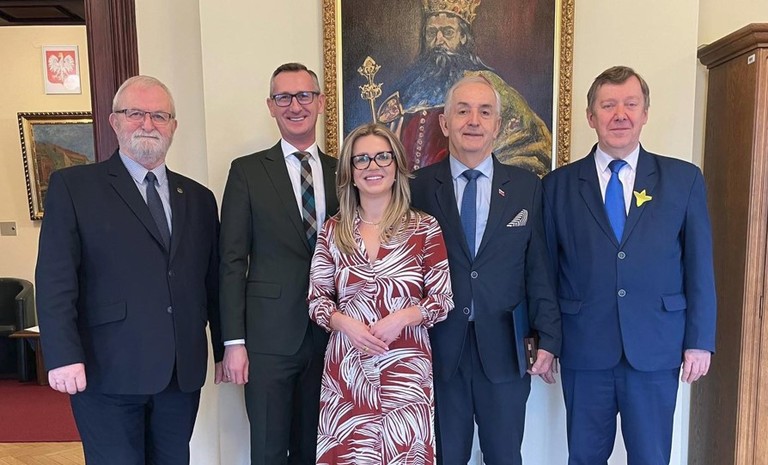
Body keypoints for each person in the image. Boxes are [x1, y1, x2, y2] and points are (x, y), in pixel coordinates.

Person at [35, 75, 224, 464]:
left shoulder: (199, 198)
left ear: (173, 126)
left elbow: (213, 283)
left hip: (179, 373)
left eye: (159, 115)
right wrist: (62, 354)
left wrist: (225, 348)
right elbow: (55, 279)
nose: (148, 124)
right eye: (135, 113)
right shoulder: (74, 187)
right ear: (114, 121)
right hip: (107, 369)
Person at [542, 66, 717, 465]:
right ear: (591, 116)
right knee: (584, 458)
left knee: (651, 458)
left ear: (645, 113)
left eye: (630, 104)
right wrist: (546, 340)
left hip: (657, 347)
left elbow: (699, 267)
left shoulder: (683, 180)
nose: (620, 114)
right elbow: (546, 273)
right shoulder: (557, 187)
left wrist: (699, 340)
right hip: (585, 349)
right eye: (608, 105)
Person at [410, 75, 561, 465]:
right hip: (440, 349)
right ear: (445, 123)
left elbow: (538, 268)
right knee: (445, 457)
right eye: (462, 111)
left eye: (484, 112)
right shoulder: (417, 188)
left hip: (506, 348)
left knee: (505, 456)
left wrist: (549, 338)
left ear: (498, 124)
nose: (473, 121)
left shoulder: (527, 187)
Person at [308, 123, 454, 464]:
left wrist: (403, 317)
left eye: (382, 157)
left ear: (397, 165)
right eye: (361, 159)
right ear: (350, 172)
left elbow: (442, 299)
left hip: (405, 370)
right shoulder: (333, 230)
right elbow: (317, 300)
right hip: (348, 372)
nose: (372, 166)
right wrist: (343, 322)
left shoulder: (424, 227)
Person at [219, 62, 340, 465]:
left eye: (304, 95)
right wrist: (233, 342)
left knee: (315, 448)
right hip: (267, 340)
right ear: (271, 106)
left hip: (330, 335)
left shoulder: (342, 172)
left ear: (320, 102)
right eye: (283, 97)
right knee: (269, 450)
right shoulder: (247, 171)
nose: (295, 106)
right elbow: (231, 261)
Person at [371, 0, 552, 175]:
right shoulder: (408, 91)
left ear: (463, 37)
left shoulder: (487, 85)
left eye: (448, 32)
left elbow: (530, 143)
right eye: (432, 32)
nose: (439, 40)